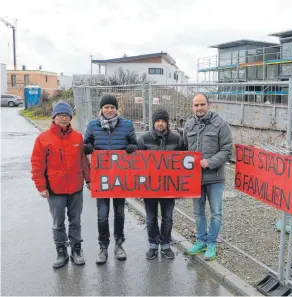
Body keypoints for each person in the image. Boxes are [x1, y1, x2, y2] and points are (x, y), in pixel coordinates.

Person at [31, 101, 90, 269]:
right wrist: (41, 186)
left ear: (70, 117)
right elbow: (37, 164)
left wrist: (89, 180)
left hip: (75, 188)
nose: (63, 118)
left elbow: (83, 161)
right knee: (58, 223)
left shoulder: (77, 137)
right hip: (55, 189)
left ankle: (77, 250)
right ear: (54, 117)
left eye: (66, 116)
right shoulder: (43, 139)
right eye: (60, 115)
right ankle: (61, 251)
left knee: (75, 221)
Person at [83, 94, 138, 265]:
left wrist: (131, 147)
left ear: (116, 109)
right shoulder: (93, 125)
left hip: (120, 178)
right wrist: (88, 147)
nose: (109, 110)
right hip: (102, 179)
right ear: (101, 109)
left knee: (120, 213)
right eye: (106, 107)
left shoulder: (127, 125)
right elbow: (86, 145)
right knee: (102, 215)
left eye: (112, 107)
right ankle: (103, 247)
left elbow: (135, 145)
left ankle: (119, 245)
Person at [184, 93, 233, 261]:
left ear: (208, 105)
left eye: (202, 104)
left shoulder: (220, 124)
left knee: (216, 213)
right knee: (198, 213)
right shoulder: (189, 125)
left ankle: (211, 243)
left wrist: (210, 162)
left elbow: (227, 151)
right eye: (196, 105)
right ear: (192, 107)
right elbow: (184, 149)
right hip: (195, 179)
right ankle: (201, 240)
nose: (199, 108)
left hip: (215, 178)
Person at [137, 108, 184, 260]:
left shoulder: (177, 139)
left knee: (168, 217)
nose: (160, 123)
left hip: (169, 186)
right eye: (157, 121)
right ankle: (152, 245)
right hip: (149, 187)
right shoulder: (144, 139)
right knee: (151, 218)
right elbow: (134, 163)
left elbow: (185, 161)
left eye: (163, 121)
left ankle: (165, 245)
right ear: (153, 122)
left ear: (167, 122)